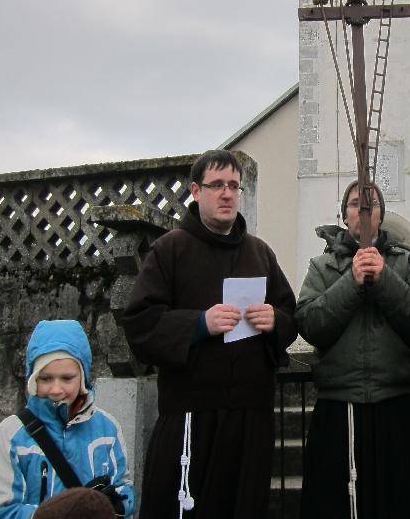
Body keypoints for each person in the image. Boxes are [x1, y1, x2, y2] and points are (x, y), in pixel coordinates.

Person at [121, 150, 297, 519]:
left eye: (234, 185)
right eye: (217, 185)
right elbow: (140, 322)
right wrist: (200, 324)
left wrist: (274, 320)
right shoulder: (170, 249)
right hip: (191, 416)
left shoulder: (260, 253)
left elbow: (289, 315)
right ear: (196, 191)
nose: (227, 194)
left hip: (250, 416)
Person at [296, 181, 410, 519]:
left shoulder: (405, 262)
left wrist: (383, 277)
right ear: (344, 215)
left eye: (370, 204)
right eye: (355, 204)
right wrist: (352, 281)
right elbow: (311, 324)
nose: (363, 211)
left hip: (394, 404)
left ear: (380, 215)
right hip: (339, 405)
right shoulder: (322, 267)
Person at [0, 319, 136, 518]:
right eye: (46, 378)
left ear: (83, 377)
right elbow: (3, 509)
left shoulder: (108, 428)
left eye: (67, 378)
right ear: (32, 379)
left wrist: (115, 505)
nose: (56, 389)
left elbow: (124, 489)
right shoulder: (10, 434)